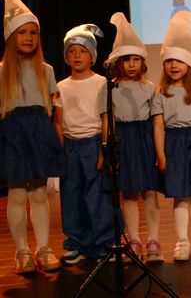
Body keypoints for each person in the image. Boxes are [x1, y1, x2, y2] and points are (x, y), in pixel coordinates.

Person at [0, 0, 64, 273]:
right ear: (11, 37)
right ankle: (21, 252)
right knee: (16, 194)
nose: (28, 37)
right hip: (12, 134)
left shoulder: (46, 70)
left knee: (39, 193)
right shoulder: (1, 71)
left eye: (34, 33)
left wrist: (58, 139)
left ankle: (43, 248)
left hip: (38, 132)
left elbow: (55, 110)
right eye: (22, 32)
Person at [152, 11, 191, 260]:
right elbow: (158, 127)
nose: (174, 65)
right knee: (180, 195)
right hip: (174, 143)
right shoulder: (161, 93)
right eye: (169, 61)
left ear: (189, 63)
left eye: (179, 60)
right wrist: (161, 155)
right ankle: (182, 241)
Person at [53, 24, 114, 265]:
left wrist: (103, 148)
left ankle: (102, 243)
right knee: (71, 196)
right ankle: (75, 243)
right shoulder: (61, 86)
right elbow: (58, 122)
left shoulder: (101, 83)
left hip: (94, 143)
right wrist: (62, 152)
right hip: (71, 146)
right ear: (66, 56)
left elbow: (105, 118)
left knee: (97, 195)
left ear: (93, 56)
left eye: (83, 51)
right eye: (72, 51)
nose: (77, 55)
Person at [106, 12, 163, 261]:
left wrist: (159, 151)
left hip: (144, 138)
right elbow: (108, 121)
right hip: (123, 140)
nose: (131, 64)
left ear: (143, 62)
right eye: (126, 59)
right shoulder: (111, 88)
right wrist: (109, 149)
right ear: (117, 62)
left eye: (136, 59)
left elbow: (157, 121)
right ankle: (135, 241)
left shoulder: (149, 88)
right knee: (128, 193)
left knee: (149, 192)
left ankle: (154, 240)